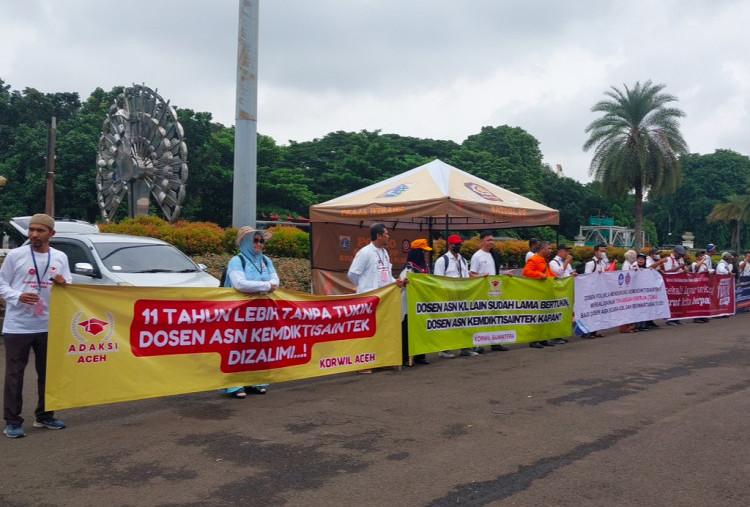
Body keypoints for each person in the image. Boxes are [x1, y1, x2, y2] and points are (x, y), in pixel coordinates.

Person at [0, 214, 72, 438]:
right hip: (18, 326)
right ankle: (12, 421)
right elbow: (1, 283)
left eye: (40, 231)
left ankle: (45, 416)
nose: (34, 235)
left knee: (48, 374)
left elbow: (69, 283)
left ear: (51, 234)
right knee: (14, 375)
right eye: (31, 230)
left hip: (48, 325)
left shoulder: (60, 257)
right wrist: (17, 296)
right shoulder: (16, 255)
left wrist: (63, 283)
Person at [221, 226, 278, 398]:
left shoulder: (266, 260)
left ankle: (256, 380)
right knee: (236, 346)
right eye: (255, 240)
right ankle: (233, 385)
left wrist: (265, 286)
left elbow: (276, 279)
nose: (259, 244)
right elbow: (239, 284)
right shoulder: (236, 261)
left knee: (257, 345)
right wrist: (266, 287)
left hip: (260, 312)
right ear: (246, 242)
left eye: (261, 241)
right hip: (238, 312)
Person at [347, 223, 407, 372]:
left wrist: (396, 282)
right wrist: (364, 288)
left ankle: (381, 360)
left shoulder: (385, 253)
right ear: (378, 236)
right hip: (369, 298)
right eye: (386, 234)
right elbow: (352, 274)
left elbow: (385, 275)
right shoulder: (365, 252)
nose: (388, 236)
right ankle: (363, 364)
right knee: (367, 331)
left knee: (382, 329)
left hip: (384, 298)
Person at [433, 235, 476, 358]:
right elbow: (438, 281)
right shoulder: (442, 261)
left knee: (465, 322)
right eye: (456, 244)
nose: (458, 246)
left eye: (459, 244)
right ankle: (444, 349)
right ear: (450, 245)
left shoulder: (462, 260)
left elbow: (467, 278)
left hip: (463, 297)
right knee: (448, 323)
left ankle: (465, 348)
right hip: (448, 297)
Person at [469, 231, 509, 352]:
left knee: (495, 317)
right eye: (488, 240)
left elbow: (495, 273)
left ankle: (496, 342)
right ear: (481, 241)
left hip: (494, 292)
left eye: (492, 240)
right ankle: (477, 344)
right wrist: (482, 277)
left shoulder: (494, 255)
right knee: (481, 318)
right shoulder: (477, 256)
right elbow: (471, 274)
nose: (491, 242)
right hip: (482, 293)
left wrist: (506, 274)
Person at [522, 241, 563, 348]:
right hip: (536, 293)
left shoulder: (545, 260)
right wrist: (539, 275)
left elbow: (548, 273)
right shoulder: (534, 259)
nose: (551, 250)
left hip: (545, 293)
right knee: (536, 317)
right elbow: (526, 272)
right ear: (542, 249)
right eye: (549, 248)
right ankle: (534, 340)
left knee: (545, 317)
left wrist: (554, 276)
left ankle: (543, 338)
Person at [400, 239, 431, 365]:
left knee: (421, 330)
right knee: (407, 331)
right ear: (418, 252)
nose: (426, 254)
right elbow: (400, 285)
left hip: (421, 305)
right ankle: (405, 357)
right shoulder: (409, 268)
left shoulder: (426, 267)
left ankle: (420, 355)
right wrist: (405, 284)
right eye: (424, 252)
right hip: (408, 305)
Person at [654, 245, 688, 326]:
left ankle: (677, 318)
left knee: (678, 302)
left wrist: (685, 269)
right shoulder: (669, 259)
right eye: (680, 254)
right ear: (675, 252)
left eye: (682, 255)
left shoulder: (680, 260)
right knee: (670, 302)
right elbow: (668, 271)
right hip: (670, 285)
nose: (681, 256)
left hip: (679, 284)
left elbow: (683, 269)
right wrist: (679, 267)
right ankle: (669, 319)